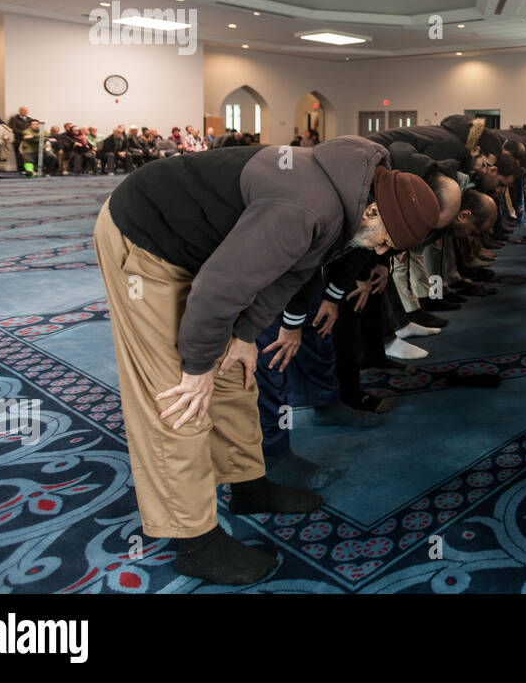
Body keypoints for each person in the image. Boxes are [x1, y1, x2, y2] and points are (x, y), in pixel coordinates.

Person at [91, 135, 438, 585]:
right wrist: (196, 368)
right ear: (373, 212)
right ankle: (193, 542)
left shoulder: (344, 196)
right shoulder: (306, 208)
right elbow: (218, 289)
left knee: (237, 367)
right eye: (382, 241)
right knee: (177, 395)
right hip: (146, 240)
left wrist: (245, 334)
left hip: (208, 251)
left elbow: (290, 274)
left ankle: (247, 484)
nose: (376, 251)